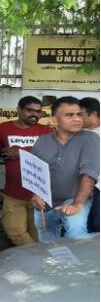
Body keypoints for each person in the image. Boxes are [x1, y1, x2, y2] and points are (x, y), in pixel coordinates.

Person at [31, 96, 100, 241]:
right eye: (69, 115)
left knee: (76, 234)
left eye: (79, 114)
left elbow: (89, 175)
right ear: (55, 120)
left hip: (74, 199)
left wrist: (77, 204)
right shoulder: (42, 141)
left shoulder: (90, 139)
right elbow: (34, 174)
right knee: (46, 244)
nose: (77, 119)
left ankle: (79, 265)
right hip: (46, 204)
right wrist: (36, 195)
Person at [0, 96, 52, 245]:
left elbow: (51, 156)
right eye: (30, 110)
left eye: (39, 112)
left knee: (37, 235)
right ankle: (36, 257)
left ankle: (36, 262)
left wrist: (20, 153)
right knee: (15, 231)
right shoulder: (3, 128)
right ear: (19, 110)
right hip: (13, 193)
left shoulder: (46, 131)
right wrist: (4, 153)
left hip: (38, 195)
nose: (35, 115)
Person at [79, 97, 100, 233]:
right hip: (82, 188)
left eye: (81, 115)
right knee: (86, 228)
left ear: (93, 114)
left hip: (98, 188)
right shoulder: (78, 134)